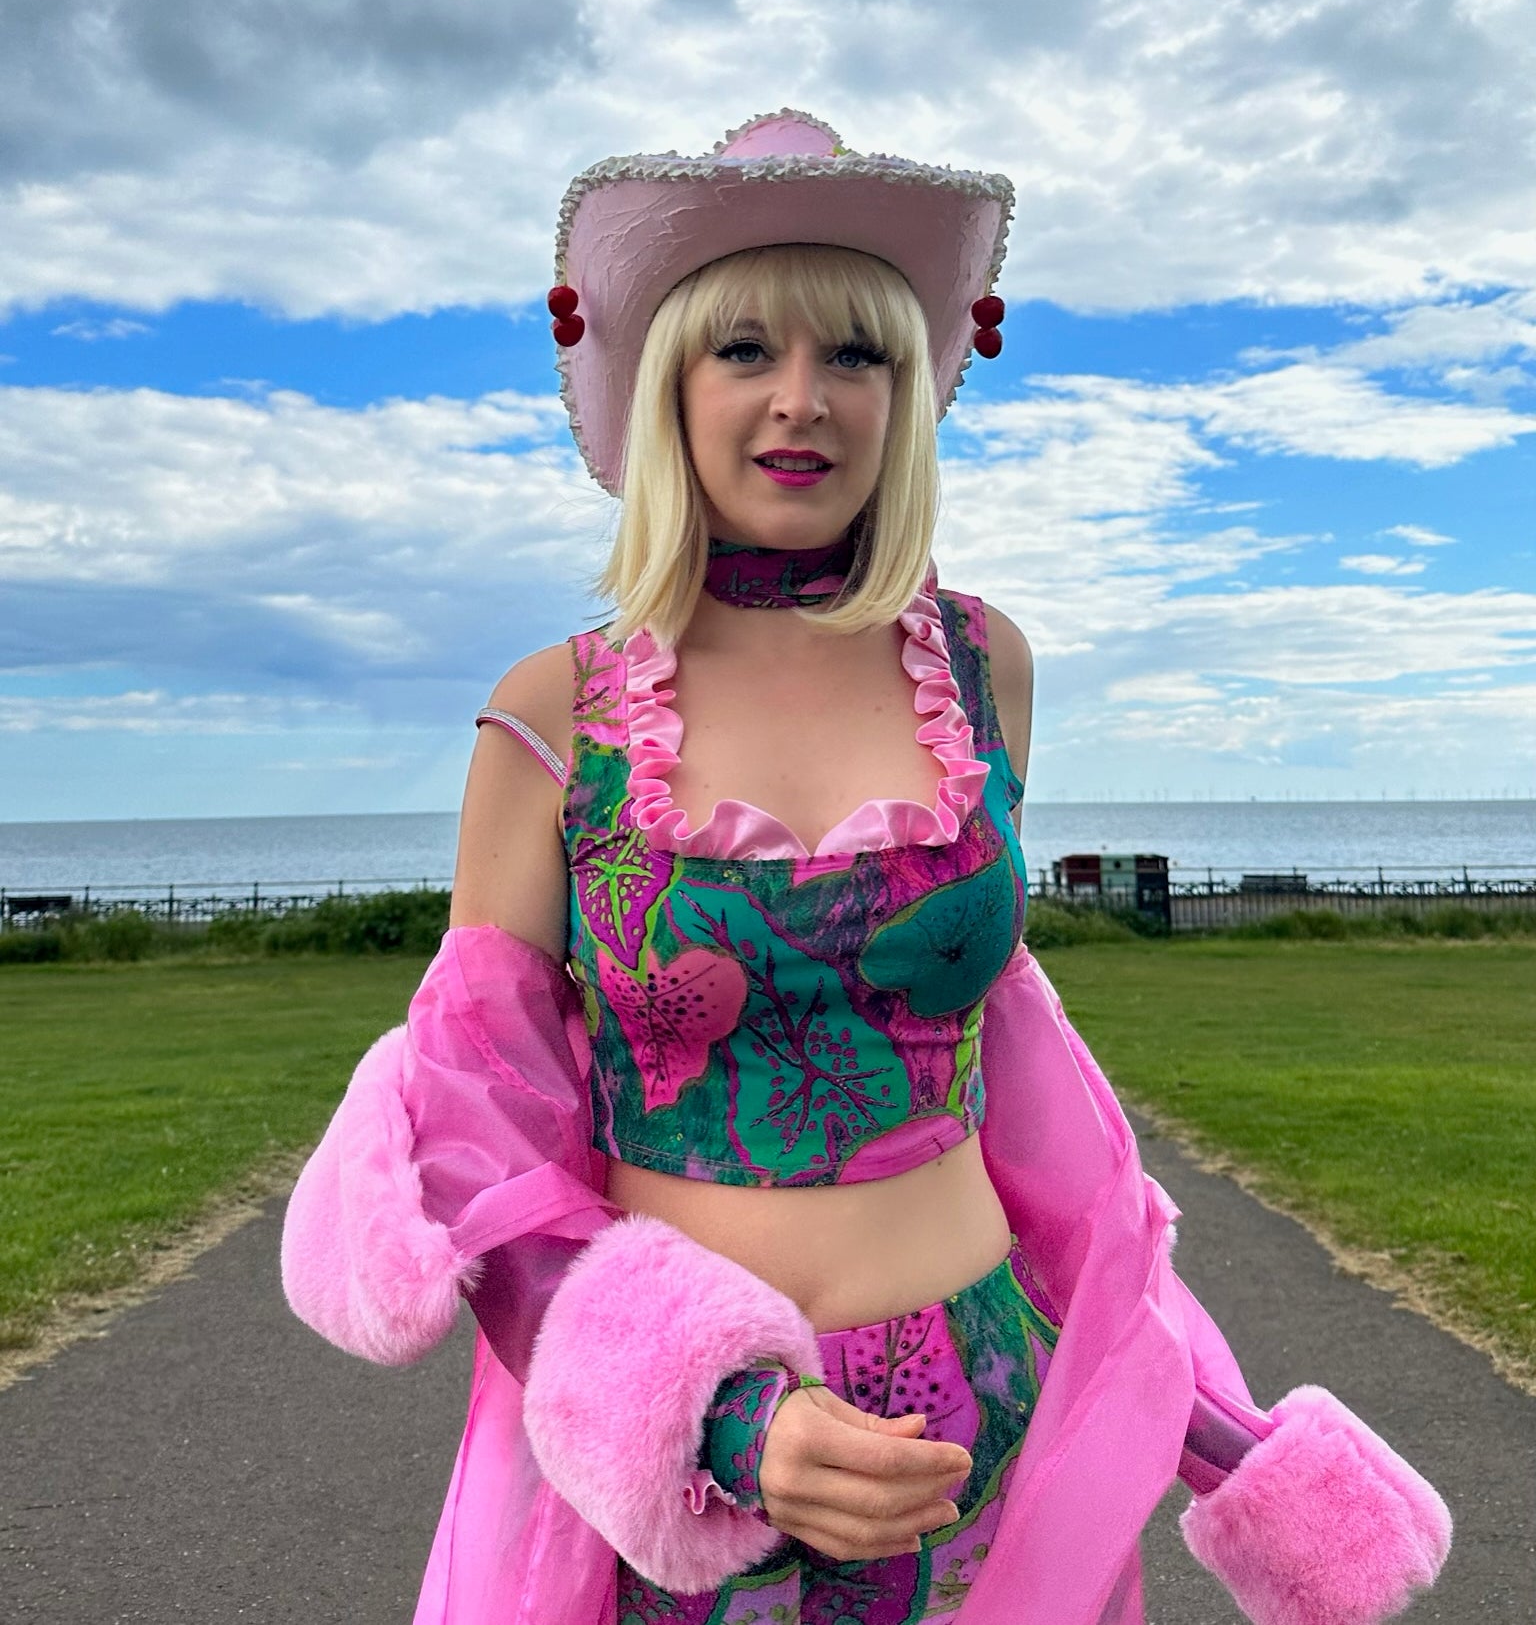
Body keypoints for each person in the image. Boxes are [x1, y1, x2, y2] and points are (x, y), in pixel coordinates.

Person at [283, 113, 1450, 1625]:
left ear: (910, 392)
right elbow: (475, 1138)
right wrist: (718, 1421)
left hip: (986, 1422)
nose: (802, 398)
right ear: (668, 386)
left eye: (856, 354)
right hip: (677, 1479)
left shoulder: (985, 668)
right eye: (744, 349)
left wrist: (1221, 1436)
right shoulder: (555, 712)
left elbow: (1028, 1099)